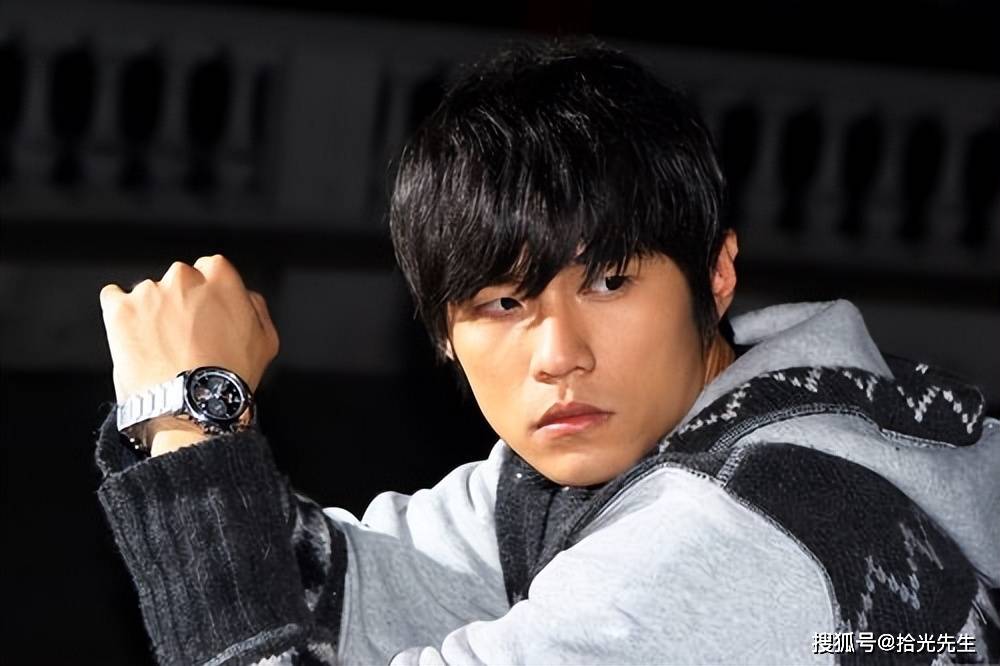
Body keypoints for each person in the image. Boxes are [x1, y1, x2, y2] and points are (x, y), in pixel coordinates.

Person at [95, 38, 999, 665]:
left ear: (716, 274)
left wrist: (192, 420)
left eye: (609, 281)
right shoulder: (653, 445)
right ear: (443, 335)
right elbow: (331, 596)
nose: (559, 354)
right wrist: (194, 429)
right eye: (503, 303)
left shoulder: (729, 540)